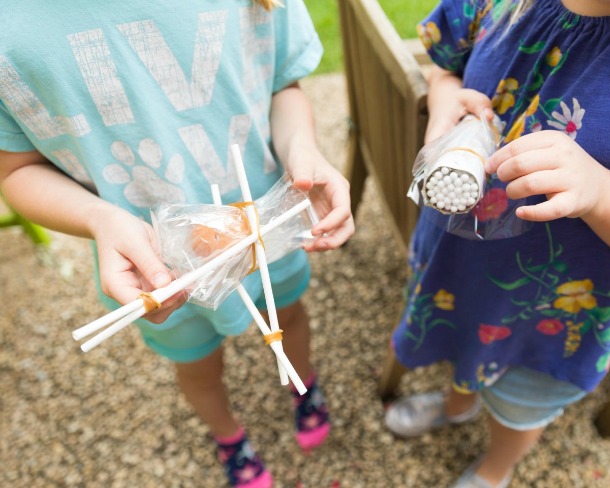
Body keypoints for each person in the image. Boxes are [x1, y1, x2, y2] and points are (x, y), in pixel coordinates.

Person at [0, 1, 354, 487]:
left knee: (288, 315)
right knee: (196, 362)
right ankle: (227, 435)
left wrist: (303, 150)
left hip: (265, 235)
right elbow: (15, 169)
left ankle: (303, 383)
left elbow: (282, 87)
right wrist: (98, 217)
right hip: (152, 265)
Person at [384, 1, 610, 487]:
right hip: (456, 263)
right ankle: (458, 402)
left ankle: (496, 467)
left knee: (519, 405)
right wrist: (446, 96)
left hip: (553, 310)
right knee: (456, 344)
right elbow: (449, 66)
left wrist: (600, 193)